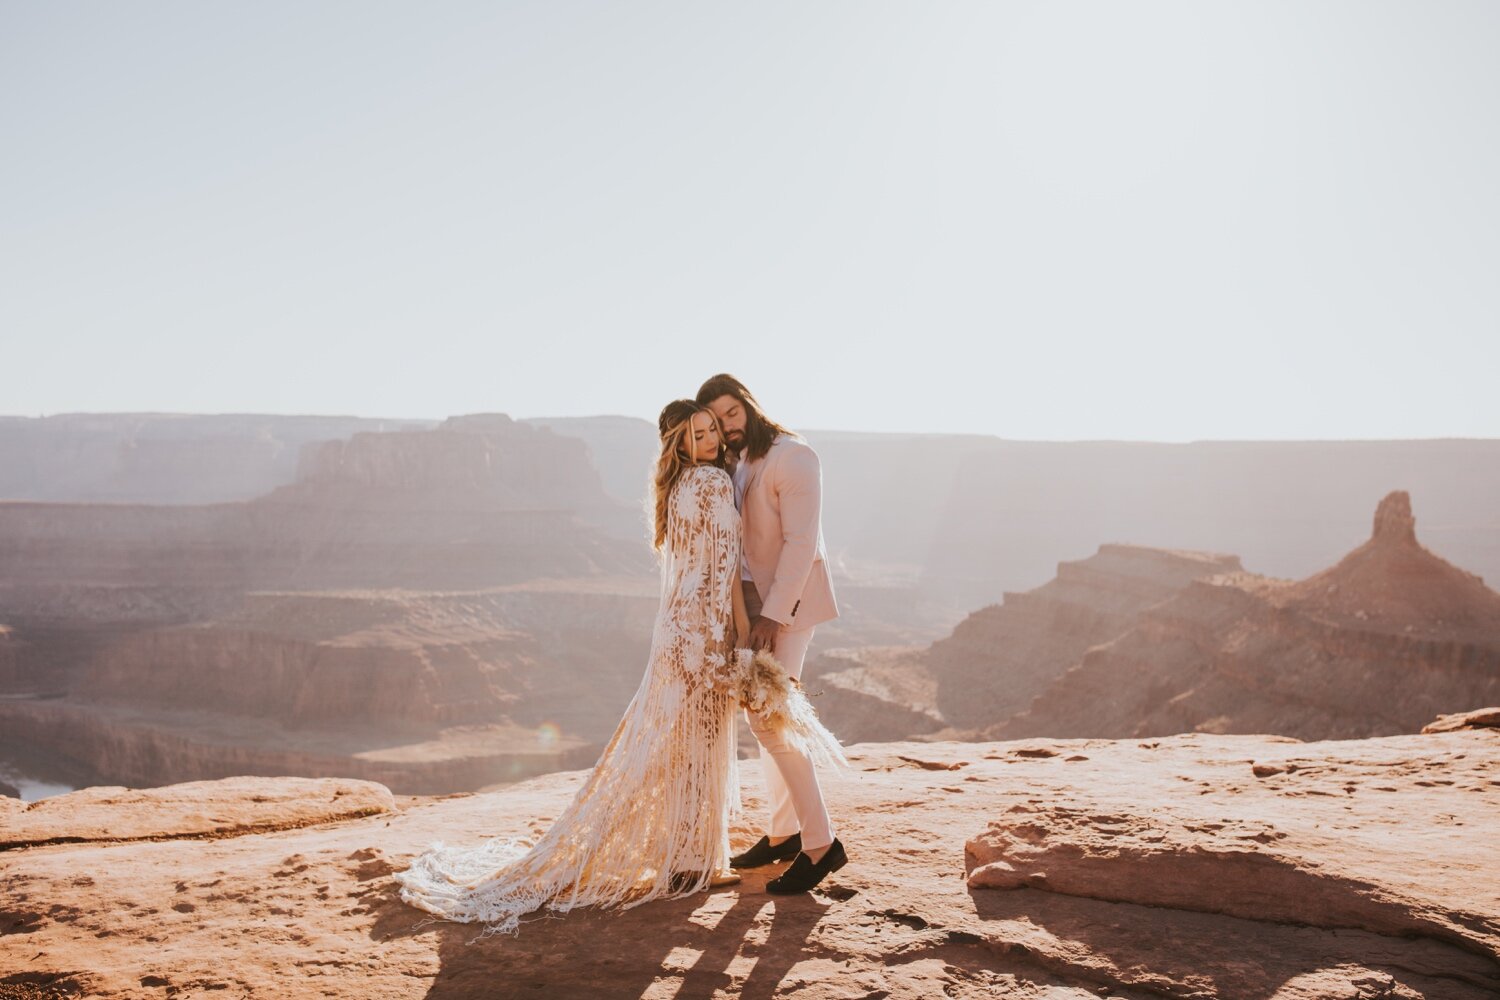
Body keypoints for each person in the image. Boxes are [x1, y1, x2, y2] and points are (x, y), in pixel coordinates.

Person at [392, 400, 750, 936]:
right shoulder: (712, 485)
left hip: (674, 634)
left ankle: (684, 860)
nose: (710, 441)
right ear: (678, 443)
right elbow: (723, 570)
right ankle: (692, 864)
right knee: (699, 747)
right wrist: (739, 636)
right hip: (701, 632)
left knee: (675, 749)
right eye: (696, 435)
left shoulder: (676, 489)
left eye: (711, 432)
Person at [697, 374, 848, 894]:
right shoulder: (738, 462)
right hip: (750, 603)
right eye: (716, 420)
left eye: (732, 413)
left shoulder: (793, 456)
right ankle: (784, 833)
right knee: (765, 720)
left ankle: (822, 845)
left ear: (749, 406)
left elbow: (802, 543)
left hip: (787, 603)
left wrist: (773, 615)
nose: (727, 426)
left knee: (771, 719)